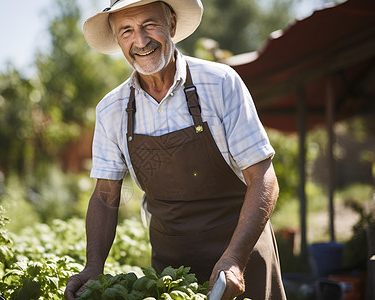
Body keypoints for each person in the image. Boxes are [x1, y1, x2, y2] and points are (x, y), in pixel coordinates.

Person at [65, 0, 286, 299]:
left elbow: (263, 179)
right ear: (117, 39)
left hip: (242, 259)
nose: (140, 41)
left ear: (171, 24)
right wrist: (93, 266)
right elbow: (105, 196)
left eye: (149, 25)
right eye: (127, 30)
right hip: (172, 272)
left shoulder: (220, 83)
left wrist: (234, 259)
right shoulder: (111, 110)